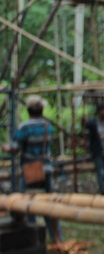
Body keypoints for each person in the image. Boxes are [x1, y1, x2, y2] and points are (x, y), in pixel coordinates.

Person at [2, 96, 62, 245]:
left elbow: (15, 149)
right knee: (50, 202)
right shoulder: (48, 126)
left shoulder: (25, 127)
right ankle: (56, 237)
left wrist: (6, 147)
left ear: (28, 110)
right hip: (46, 168)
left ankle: (33, 236)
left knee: (25, 202)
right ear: (41, 109)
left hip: (30, 169)